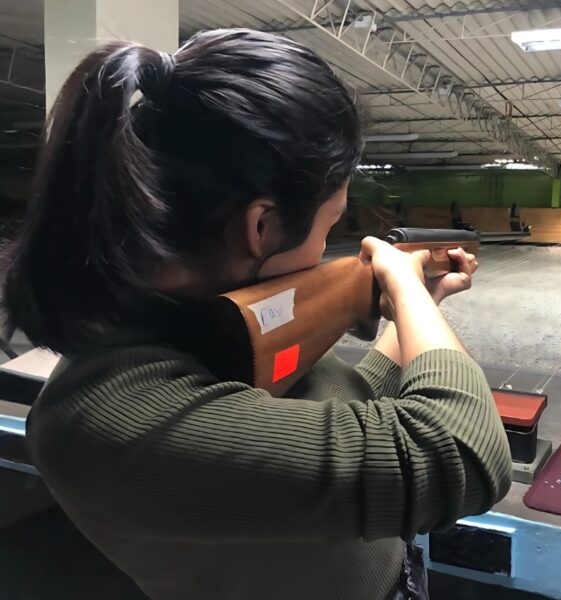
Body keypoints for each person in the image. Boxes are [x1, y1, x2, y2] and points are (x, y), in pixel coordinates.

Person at [3, 29, 512, 600]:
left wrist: (417, 305)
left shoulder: (205, 324)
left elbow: (341, 417)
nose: (327, 250)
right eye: (330, 228)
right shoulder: (115, 419)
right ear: (261, 226)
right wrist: (404, 288)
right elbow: (460, 457)